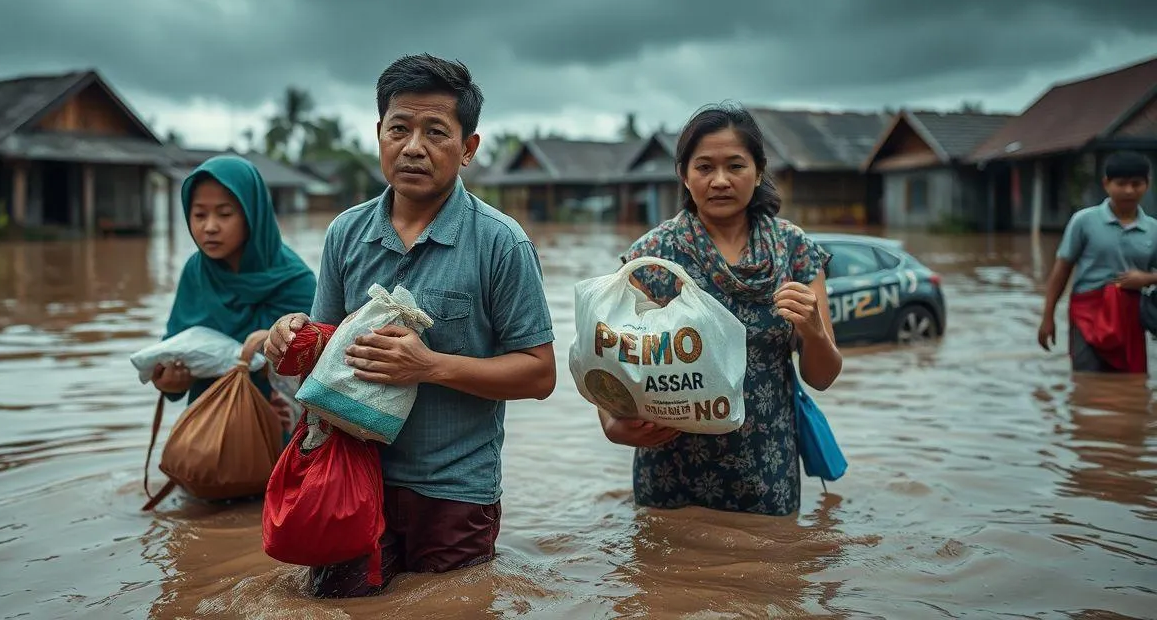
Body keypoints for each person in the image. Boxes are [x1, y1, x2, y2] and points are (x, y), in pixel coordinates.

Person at [264, 53, 556, 597]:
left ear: (468, 148)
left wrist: (430, 366)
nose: (413, 146)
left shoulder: (501, 242)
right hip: (348, 475)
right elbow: (326, 350)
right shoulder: (345, 235)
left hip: (454, 490)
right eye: (399, 128)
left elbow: (539, 375)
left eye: (435, 132)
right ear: (379, 135)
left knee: (449, 607)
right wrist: (291, 336)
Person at [597, 103, 842, 515]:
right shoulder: (653, 256)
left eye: (736, 166)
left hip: (767, 468)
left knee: (775, 572)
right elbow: (609, 354)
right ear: (684, 174)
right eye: (705, 167)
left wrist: (815, 330)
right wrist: (612, 425)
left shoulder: (794, 251)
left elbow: (822, 377)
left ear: (759, 171)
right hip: (672, 468)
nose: (721, 180)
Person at [151, 155, 317, 426]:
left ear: (252, 215)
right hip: (208, 430)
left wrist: (270, 352)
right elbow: (174, 349)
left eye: (225, 214)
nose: (210, 227)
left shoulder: (295, 281)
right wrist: (171, 381)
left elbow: (319, 369)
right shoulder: (196, 271)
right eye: (199, 215)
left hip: (275, 430)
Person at [1037, 151, 1156, 373]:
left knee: (1132, 380)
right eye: (1121, 183)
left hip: (1130, 315)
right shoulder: (1084, 221)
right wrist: (1047, 317)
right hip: (1088, 311)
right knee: (1086, 379)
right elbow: (1062, 270)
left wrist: (1147, 278)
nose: (1129, 190)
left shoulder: (1153, 230)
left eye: (1136, 183)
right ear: (1106, 184)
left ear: (1147, 184)